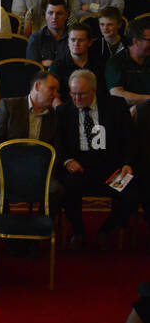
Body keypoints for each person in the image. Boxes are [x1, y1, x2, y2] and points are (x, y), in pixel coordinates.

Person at [57, 69, 135, 250]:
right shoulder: (63, 111)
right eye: (73, 93)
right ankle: (78, 232)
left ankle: (105, 231)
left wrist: (127, 164)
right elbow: (57, 143)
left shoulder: (115, 106)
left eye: (82, 94)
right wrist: (67, 161)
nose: (76, 98)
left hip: (111, 170)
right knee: (68, 187)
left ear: (94, 90)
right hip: (80, 170)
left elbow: (130, 139)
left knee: (132, 192)